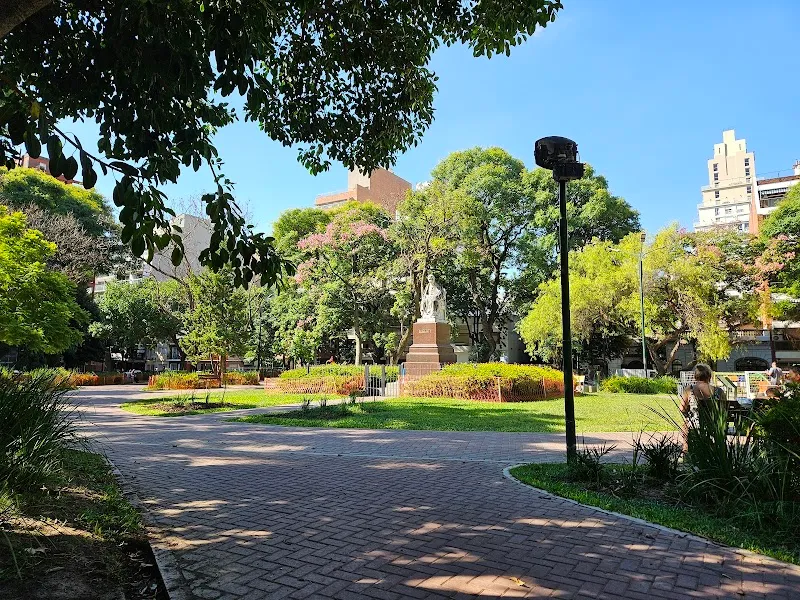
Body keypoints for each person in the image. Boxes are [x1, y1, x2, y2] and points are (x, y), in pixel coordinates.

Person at [680, 363, 725, 434]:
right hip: (714, 427)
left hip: (694, 426)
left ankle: (686, 445)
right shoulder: (719, 391)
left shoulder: (689, 389)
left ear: (695, 377)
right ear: (709, 377)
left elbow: (682, 408)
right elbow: (723, 409)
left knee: (685, 425)